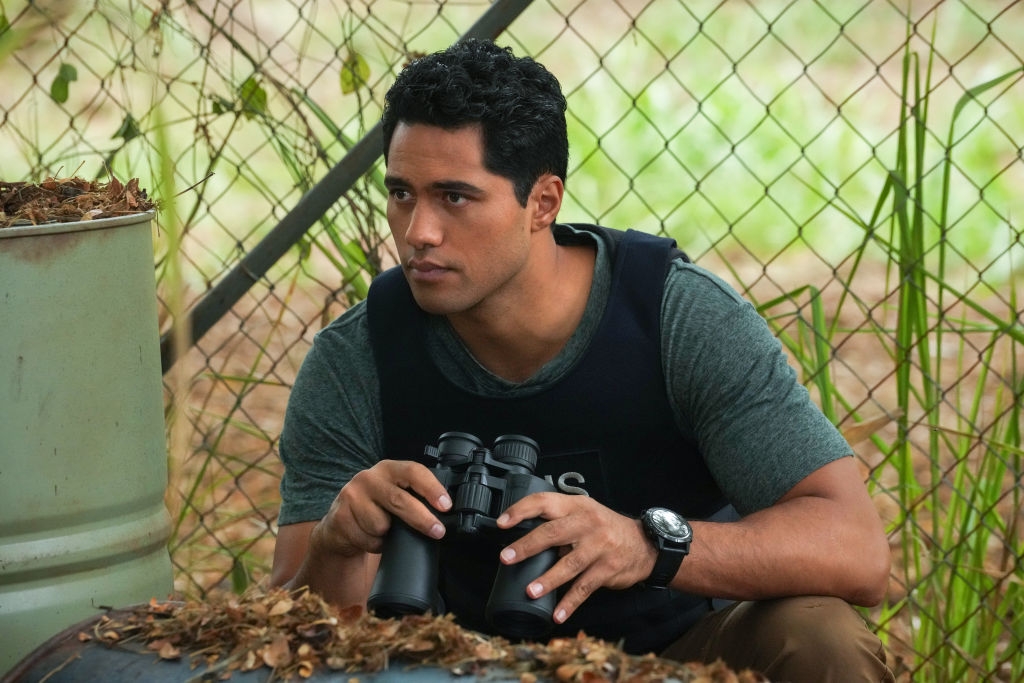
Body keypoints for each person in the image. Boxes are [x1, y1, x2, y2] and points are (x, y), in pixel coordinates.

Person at [271, 39, 894, 682]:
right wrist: (336, 545)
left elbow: (855, 549)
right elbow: (290, 634)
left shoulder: (675, 319)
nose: (417, 232)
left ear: (543, 202)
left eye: (454, 197)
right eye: (402, 193)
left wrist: (647, 545)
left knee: (818, 636)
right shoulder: (359, 356)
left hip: (678, 657)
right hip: (460, 666)